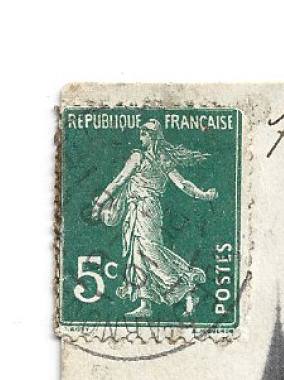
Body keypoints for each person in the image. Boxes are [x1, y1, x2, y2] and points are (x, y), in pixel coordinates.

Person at [90, 119, 217, 318]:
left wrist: (100, 203)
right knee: (137, 253)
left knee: (151, 252)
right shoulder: (161, 158)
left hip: (146, 209)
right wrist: (203, 194)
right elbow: (183, 184)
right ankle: (145, 303)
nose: (140, 138)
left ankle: (186, 288)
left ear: (151, 136)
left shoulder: (139, 157)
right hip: (138, 209)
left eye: (143, 134)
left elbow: (120, 181)